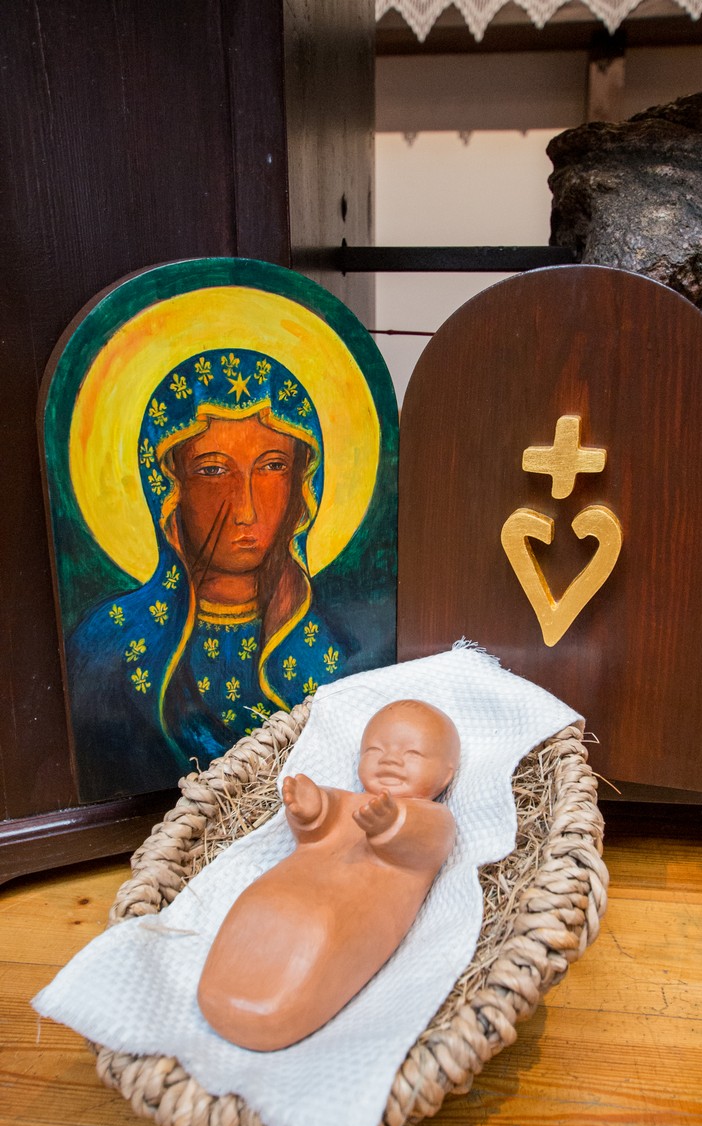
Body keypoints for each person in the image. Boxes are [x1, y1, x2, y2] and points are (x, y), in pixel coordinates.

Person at [67, 348, 348, 802]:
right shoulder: (108, 648)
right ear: (168, 488)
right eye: (213, 470)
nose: (245, 509)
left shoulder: (334, 642)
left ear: (302, 483)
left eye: (273, 466)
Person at [197, 700, 460, 1051]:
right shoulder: (348, 801)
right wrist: (311, 809)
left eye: (412, 754)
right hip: (285, 885)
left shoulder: (434, 818)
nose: (390, 760)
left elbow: (418, 845)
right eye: (375, 750)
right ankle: (222, 988)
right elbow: (317, 831)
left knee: (320, 928)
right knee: (258, 903)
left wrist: (391, 823)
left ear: (445, 776)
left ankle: (276, 1011)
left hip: (350, 910)